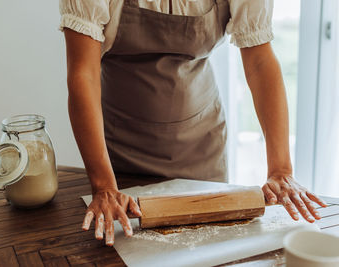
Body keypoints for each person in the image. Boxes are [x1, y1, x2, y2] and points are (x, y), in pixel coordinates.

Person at [59, 0, 327, 246]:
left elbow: (259, 61)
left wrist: (280, 169)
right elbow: (84, 73)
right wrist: (104, 185)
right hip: (119, 155)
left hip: (202, 146)